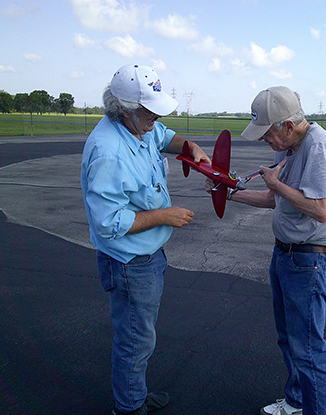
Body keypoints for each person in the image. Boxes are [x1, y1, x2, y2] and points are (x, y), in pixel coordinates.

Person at [81, 64, 210, 415]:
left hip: (148, 255)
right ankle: (129, 407)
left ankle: (133, 394)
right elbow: (108, 222)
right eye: (149, 109)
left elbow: (165, 137)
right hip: (129, 263)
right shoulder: (109, 151)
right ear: (124, 110)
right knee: (136, 340)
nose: (155, 115)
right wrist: (164, 216)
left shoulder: (141, 126)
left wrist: (192, 145)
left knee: (140, 336)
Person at [221, 86, 326, 415]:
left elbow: (321, 209)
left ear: (288, 126)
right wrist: (229, 193)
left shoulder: (318, 145)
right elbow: (272, 199)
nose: (266, 142)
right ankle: (296, 401)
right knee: (289, 339)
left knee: (307, 348)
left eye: (267, 135)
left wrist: (276, 184)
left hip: (309, 259)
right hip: (287, 255)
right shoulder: (288, 147)